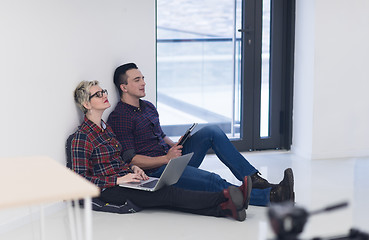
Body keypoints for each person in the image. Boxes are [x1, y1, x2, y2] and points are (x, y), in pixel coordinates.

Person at [107, 63, 295, 207]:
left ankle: (253, 178)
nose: (143, 83)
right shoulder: (120, 116)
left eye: (143, 78)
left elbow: (159, 134)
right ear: (124, 87)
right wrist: (166, 158)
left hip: (171, 158)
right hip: (157, 171)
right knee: (212, 180)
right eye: (137, 80)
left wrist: (174, 145)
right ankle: (272, 196)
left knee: (211, 131)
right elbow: (131, 160)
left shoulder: (147, 106)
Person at [70, 80, 252, 221]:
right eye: (98, 94)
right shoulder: (82, 137)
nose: (104, 95)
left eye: (104, 91)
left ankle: (225, 209)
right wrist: (119, 179)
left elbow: (118, 160)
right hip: (110, 189)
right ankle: (226, 196)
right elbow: (79, 181)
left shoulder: (105, 129)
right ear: (87, 104)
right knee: (167, 194)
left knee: (165, 195)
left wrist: (133, 169)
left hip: (126, 179)